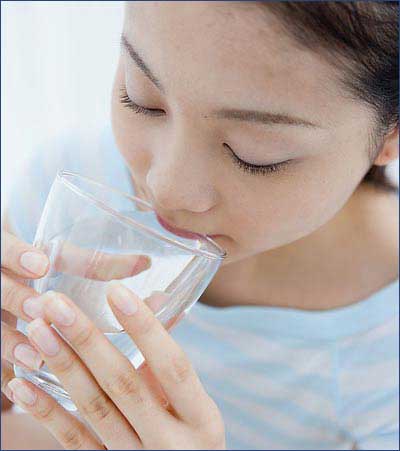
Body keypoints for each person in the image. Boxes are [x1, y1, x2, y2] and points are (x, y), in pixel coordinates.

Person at [2, 2, 399, 449]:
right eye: (141, 99)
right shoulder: (75, 186)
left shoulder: (385, 359)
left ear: (391, 133)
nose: (165, 188)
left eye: (254, 154)